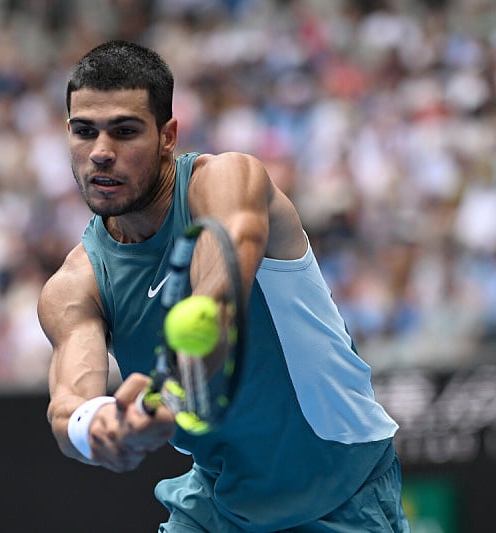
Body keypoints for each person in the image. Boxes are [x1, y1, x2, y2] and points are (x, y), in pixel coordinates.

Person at [38, 40, 410, 532]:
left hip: (341, 493)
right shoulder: (74, 284)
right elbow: (67, 407)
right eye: (85, 132)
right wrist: (99, 426)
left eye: (125, 132)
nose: (101, 153)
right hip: (218, 507)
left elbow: (216, 301)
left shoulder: (228, 180)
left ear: (168, 135)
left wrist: (172, 392)